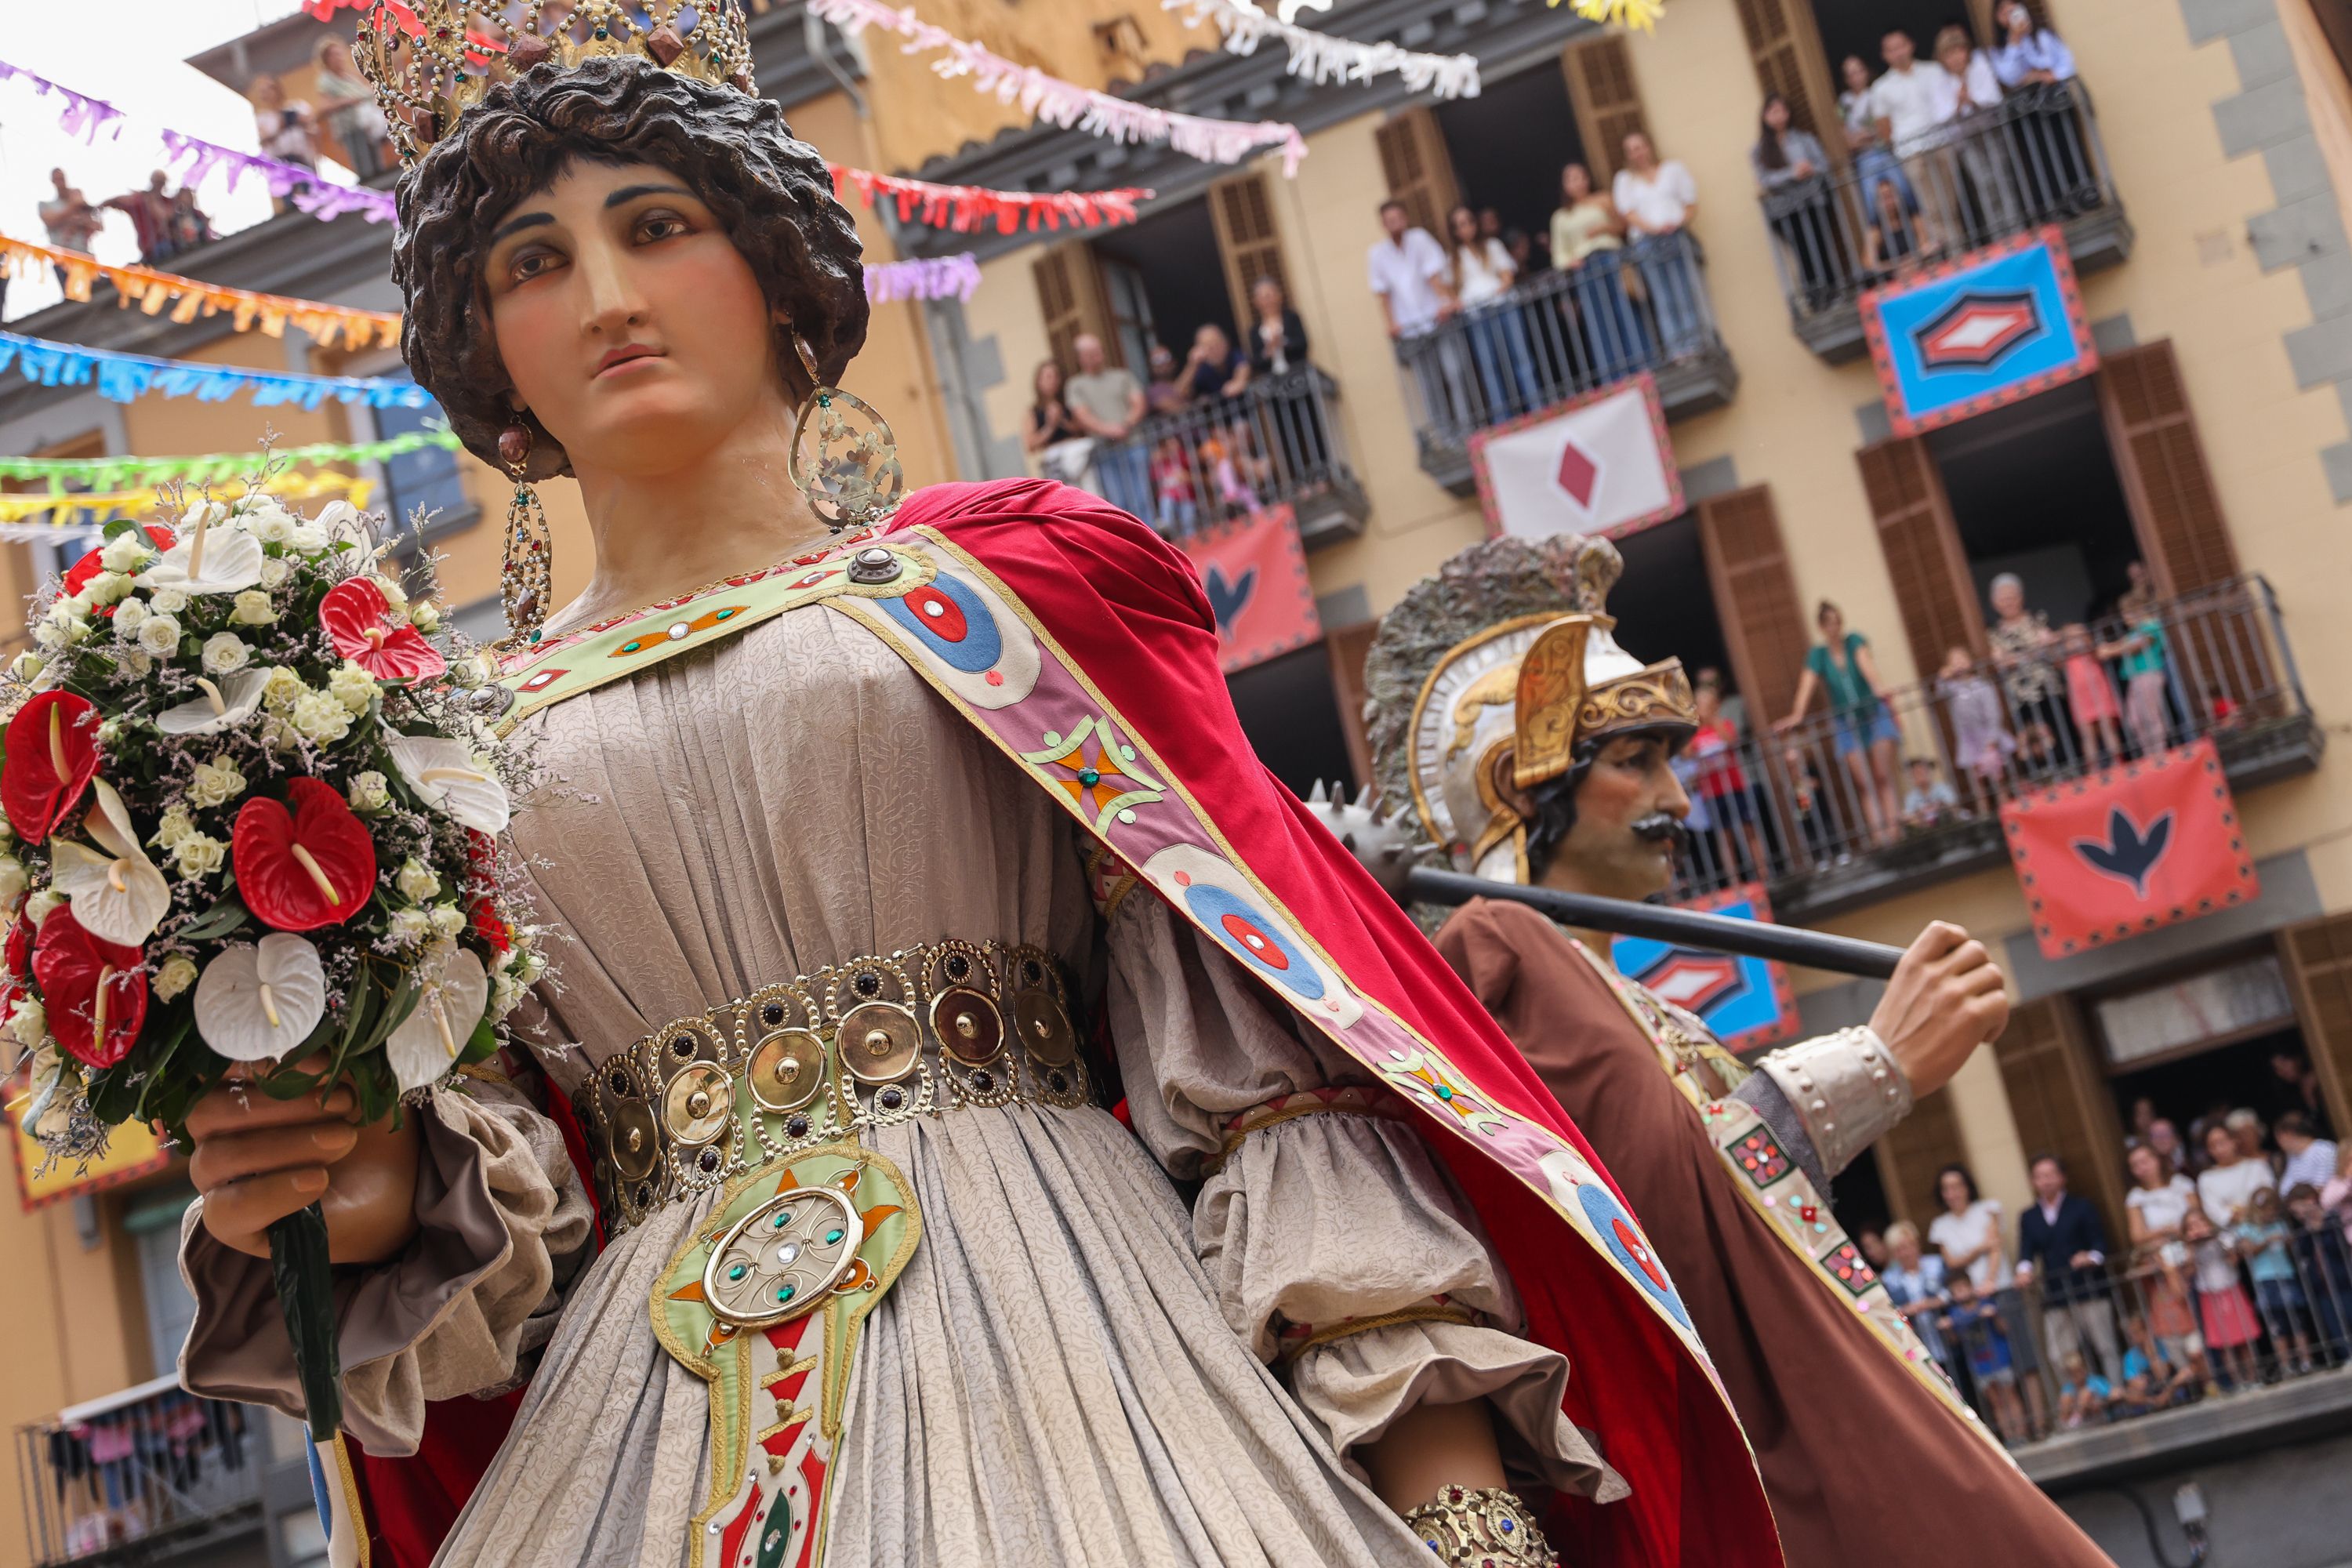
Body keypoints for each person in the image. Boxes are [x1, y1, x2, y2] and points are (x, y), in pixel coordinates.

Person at [173, 35, 1780, 1568]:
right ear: (485, 354)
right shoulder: (442, 750)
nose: (603, 298)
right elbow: (506, 1176)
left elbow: (1260, 1059)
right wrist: (359, 1186)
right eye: (530, 263)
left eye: (654, 229)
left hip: (1084, 1339)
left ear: (779, 274)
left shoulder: (989, 601)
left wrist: (1460, 1508)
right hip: (638, 1413)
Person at [1341, 532, 2111, 1564]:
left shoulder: (1640, 1004)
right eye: (1635, 762)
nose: (1679, 802)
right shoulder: (1500, 951)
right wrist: (1878, 1067)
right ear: (1517, 784)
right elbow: (1658, 1211)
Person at [1778, 601, 1904, 847]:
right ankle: (1880, 837)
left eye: (1837, 622)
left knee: (1882, 776)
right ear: (1821, 627)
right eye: (1828, 624)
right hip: (1846, 722)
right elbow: (1807, 684)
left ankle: (1896, 832)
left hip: (1873, 713)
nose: (1834, 628)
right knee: (1864, 783)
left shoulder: (1854, 641)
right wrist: (1797, 714)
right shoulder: (1818, 655)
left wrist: (1879, 689)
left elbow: (1865, 664)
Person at [2016, 1153, 2121, 1384]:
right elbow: (2026, 1250)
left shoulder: (2082, 1206)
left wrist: (2090, 1257)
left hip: (2088, 1286)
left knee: (2105, 1346)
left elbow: (2100, 1243)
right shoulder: (2029, 1216)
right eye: (2040, 1176)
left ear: (2062, 1178)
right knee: (2060, 1354)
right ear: (2033, 1181)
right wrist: (2024, 1270)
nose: (2046, 1181)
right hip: (2055, 1293)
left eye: (2051, 1175)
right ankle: (2079, 1404)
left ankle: (2118, 1394)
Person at [2124, 1141, 2212, 1389]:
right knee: (2177, 1317)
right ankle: (2197, 1382)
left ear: (2158, 1159)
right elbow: (2137, 1235)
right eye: (2135, 1165)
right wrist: (2170, 1230)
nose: (2142, 1168)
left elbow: (2196, 1217)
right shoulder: (2136, 1197)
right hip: (2164, 1259)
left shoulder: (2182, 1184)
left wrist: (2176, 1232)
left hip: (2192, 1255)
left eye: (2145, 1160)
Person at [1611, 132, 1704, 358]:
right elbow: (1628, 213)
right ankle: (1677, 350)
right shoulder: (1625, 180)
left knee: (1685, 291)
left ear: (1649, 147)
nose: (1638, 152)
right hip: (1647, 243)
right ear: (1627, 156)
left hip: (1676, 237)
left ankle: (1695, 345)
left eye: (1640, 146)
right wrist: (1654, 229)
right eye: (1632, 149)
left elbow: (1690, 204)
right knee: (1663, 296)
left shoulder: (1673, 170)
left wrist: (1677, 222)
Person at [1865, 31, 1959, 252]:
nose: (1898, 52)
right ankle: (1954, 254)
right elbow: (1884, 128)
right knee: (1931, 208)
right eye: (1892, 49)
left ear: (1911, 45)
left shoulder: (1933, 71)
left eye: (1901, 46)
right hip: (1911, 152)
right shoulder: (1881, 88)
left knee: (1952, 201)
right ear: (1885, 55)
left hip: (1941, 142)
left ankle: (1961, 248)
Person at [1549, 162, 1646, 379]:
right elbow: (1559, 253)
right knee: (1597, 318)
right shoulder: (1561, 217)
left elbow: (1623, 226)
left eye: (1580, 177)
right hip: (1585, 267)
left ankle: (1641, 363)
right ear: (1565, 186)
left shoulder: (1603, 199)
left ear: (1588, 179)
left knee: (1625, 309)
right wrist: (1570, 262)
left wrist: (1604, 228)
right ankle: (1612, 373)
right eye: (1571, 179)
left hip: (1611, 258)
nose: (1577, 182)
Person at [1443, 203, 1537, 416]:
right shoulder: (1453, 260)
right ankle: (1503, 418)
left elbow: (1507, 276)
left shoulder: (1492, 246)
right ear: (1454, 231)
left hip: (1503, 306)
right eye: (1459, 225)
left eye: (1468, 222)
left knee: (1521, 359)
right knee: (1490, 368)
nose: (1465, 228)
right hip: (1477, 315)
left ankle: (1535, 408)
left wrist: (1492, 294)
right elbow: (1451, 293)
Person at [1932, 24, 2020, 240]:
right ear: (1942, 58)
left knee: (2003, 179)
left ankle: (2016, 230)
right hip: (1967, 140)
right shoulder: (1941, 81)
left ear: (1967, 51)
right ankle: (2000, 235)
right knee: (1985, 185)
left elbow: (1993, 98)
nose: (1955, 58)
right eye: (1949, 54)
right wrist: (1958, 104)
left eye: (1958, 51)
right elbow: (1940, 116)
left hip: (1991, 132)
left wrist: (1972, 100)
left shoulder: (1980, 67)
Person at [1751, 93, 1835, 308]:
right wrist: (1792, 173)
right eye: (1773, 111)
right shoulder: (1760, 150)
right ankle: (1815, 296)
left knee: (1821, 245)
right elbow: (1765, 179)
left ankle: (1833, 291)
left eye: (1782, 110)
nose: (1779, 116)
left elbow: (1824, 164)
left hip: (1812, 202)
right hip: (1787, 209)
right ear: (1765, 116)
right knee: (1803, 251)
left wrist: (1809, 169)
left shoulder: (1804, 139)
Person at [1062, 332, 1150, 517]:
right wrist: (1110, 431)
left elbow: (1138, 402)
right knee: (1120, 504)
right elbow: (1082, 415)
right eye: (1092, 353)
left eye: (1098, 350)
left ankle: (1151, 542)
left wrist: (1126, 424)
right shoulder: (1076, 385)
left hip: (1134, 444)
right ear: (1081, 358)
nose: (1098, 355)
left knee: (1144, 499)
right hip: (1105, 450)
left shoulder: (1122, 376)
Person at [1987, 573, 2067, 771]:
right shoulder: (1993, 635)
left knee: (2057, 737)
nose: (2009, 602)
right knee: (2029, 746)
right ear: (1995, 603)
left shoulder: (2037, 621)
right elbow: (2000, 662)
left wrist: (2018, 657)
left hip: (2048, 690)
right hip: (2019, 697)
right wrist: (2035, 652)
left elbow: (2053, 651)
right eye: (2004, 599)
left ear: (2021, 597)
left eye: (2012, 597)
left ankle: (2068, 775)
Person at [1689, 672, 1765, 879]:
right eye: (1700, 704)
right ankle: (1735, 882)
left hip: (1735, 786)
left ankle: (1762, 873)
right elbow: (1687, 754)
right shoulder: (1695, 734)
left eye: (1707, 704)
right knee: (1726, 837)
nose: (1703, 708)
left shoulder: (1725, 724)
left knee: (1748, 830)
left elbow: (1731, 741)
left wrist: (1714, 720)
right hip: (1712, 792)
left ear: (1715, 705)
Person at [1838, 54, 1919, 247]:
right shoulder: (1844, 102)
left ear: (1866, 72)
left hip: (1885, 153)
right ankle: (1880, 255)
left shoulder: (1879, 91)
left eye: (1859, 71)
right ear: (1846, 79)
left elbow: (1886, 128)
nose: (1856, 77)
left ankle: (1921, 241)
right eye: (1851, 74)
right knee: (1872, 208)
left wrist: (1873, 134)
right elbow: (1847, 139)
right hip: (1864, 159)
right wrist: (1861, 138)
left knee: (1906, 195)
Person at [1940, 1274, 2029, 1442]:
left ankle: (2021, 1433)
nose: (1961, 1293)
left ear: (1970, 1287)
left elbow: (2004, 1329)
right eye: (1956, 1291)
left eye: (1963, 1288)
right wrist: (1948, 1328)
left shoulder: (1985, 1304)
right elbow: (1955, 1341)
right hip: (1979, 1364)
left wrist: (1994, 1315)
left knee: (2010, 1395)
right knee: (1996, 1402)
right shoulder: (1956, 1314)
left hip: (1999, 1358)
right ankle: (2010, 1437)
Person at [2235, 1188, 2314, 1374]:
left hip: (2286, 1275)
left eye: (2272, 1209)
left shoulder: (2280, 1225)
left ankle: (2306, 1361)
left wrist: (2288, 1242)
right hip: (2265, 1280)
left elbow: (2291, 1250)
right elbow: (2247, 1251)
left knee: (2297, 1320)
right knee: (2277, 1325)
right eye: (2265, 1210)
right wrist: (2266, 1240)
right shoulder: (2247, 1229)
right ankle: (2286, 1364)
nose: (2269, 1214)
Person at [2183, 1205, 2261, 1387]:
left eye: (2200, 1223)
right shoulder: (2189, 1249)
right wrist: (2191, 1249)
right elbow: (2188, 1272)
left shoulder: (2221, 1238)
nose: (2198, 1229)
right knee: (2225, 1344)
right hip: (2209, 1296)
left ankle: (2253, 1378)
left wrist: (2218, 1241)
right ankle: (2238, 1382)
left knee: (2244, 1339)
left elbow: (2234, 1259)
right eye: (2191, 1226)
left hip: (2230, 1289)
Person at [1879, 1221, 1959, 1387]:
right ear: (1894, 1253)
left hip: (1950, 1341)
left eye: (1910, 1245)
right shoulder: (1889, 1279)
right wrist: (1907, 1310)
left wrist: (1933, 1302)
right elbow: (1887, 1309)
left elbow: (1955, 1289)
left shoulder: (1936, 1264)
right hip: (1918, 1347)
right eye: (1900, 1249)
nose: (1907, 1252)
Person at [1935, 645, 2013, 813]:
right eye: (1954, 661)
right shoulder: (1953, 688)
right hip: (1969, 740)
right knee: (1976, 781)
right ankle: (1983, 812)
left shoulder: (1982, 686)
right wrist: (1942, 678)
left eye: (1962, 659)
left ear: (1970, 661)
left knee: (1996, 776)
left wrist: (1992, 739)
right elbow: (1940, 692)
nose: (1959, 664)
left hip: (1987, 737)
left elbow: (1993, 713)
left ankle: (2005, 808)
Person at [1366, 198, 1454, 341]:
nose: (1395, 223)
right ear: (1383, 224)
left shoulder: (1420, 238)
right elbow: (1382, 293)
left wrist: (1444, 303)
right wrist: (1391, 323)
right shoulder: (1376, 254)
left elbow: (1434, 274)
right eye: (1390, 220)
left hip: (1435, 315)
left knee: (1453, 363)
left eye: (1398, 218)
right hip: (1407, 326)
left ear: (1405, 218)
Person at [2286, 1182, 2352, 1363]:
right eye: (2294, 1213)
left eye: (2298, 1208)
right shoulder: (2303, 1231)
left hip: (2344, 1280)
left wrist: (2321, 1228)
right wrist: (2309, 1231)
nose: (2298, 1214)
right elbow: (2302, 1252)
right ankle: (2347, 1355)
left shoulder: (2333, 1220)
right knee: (2334, 1323)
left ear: (2310, 1200)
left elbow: (2339, 1248)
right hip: (2321, 1286)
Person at [2100, 601, 2171, 759]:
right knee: (2134, 719)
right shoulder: (2135, 631)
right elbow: (2125, 642)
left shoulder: (2150, 627)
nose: (2125, 618)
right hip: (2137, 677)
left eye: (2127, 614)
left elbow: (2136, 645)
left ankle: (2159, 753)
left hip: (2149, 674)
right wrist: (2109, 647)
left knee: (2151, 716)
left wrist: (2111, 651)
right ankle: (2149, 752)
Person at [315, 36, 393, 176]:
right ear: (326, 59)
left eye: (339, 54)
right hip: (351, 128)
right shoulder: (326, 81)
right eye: (334, 55)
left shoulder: (350, 75)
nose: (339, 58)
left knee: (379, 165)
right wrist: (345, 102)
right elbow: (323, 107)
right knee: (365, 168)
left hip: (368, 125)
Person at [2058, 622, 2123, 768]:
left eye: (2080, 636)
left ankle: (2117, 762)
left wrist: (2087, 645)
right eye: (2071, 638)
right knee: (2087, 734)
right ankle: (2093, 767)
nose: (2076, 641)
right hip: (2080, 696)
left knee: (2107, 727)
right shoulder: (2066, 659)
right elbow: (2056, 659)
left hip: (2098, 691)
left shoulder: (2092, 652)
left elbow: (2100, 653)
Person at [1021, 357, 1092, 486]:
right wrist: (1050, 426)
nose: (1053, 381)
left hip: (1076, 455)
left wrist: (1062, 420)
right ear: (1039, 381)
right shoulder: (1033, 412)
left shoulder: (1068, 403)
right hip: (1055, 461)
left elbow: (1082, 429)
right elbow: (1031, 445)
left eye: (1055, 376)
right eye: (1048, 377)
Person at [1991, 0, 2077, 87]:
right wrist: (2014, 42)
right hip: (2030, 97)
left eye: (2012, 10)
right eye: (2002, 10)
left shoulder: (2042, 36)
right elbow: (2010, 77)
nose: (2008, 13)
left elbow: (2068, 62)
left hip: (2056, 93)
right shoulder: (1998, 51)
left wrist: (2048, 76)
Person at [38, 169, 103, 281]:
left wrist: (82, 217)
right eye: (57, 179)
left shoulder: (79, 205)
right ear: (53, 181)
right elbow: (51, 221)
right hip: (63, 260)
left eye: (62, 178)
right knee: (72, 294)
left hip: (85, 257)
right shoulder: (46, 205)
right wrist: (74, 205)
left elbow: (98, 226)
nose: (60, 182)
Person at [101, 171, 179, 264]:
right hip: (148, 248)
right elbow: (120, 200)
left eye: (161, 182)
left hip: (167, 245)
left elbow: (165, 216)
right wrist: (101, 206)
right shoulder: (139, 201)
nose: (158, 184)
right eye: (157, 181)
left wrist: (151, 200)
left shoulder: (167, 202)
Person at [249, 73, 318, 176]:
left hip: (304, 161)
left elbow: (312, 123)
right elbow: (264, 139)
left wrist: (297, 119)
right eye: (263, 91)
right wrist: (282, 124)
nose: (268, 94)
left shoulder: (297, 107)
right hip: (280, 165)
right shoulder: (262, 119)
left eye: (270, 88)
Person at [2278, 1111, 2339, 1197]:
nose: (2280, 1145)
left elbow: (2322, 1187)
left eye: (2279, 1138)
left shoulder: (2324, 1150)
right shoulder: (2292, 1158)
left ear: (2288, 1134)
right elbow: (2284, 1190)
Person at [2054, 1352, 2111, 1429]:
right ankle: (2067, 1425)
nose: (2077, 1376)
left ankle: (2076, 1420)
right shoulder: (2068, 1388)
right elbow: (2064, 1407)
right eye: (2073, 1374)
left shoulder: (2096, 1381)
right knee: (2066, 1398)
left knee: (2085, 1394)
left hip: (2099, 1418)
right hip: (2078, 1419)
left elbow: (2110, 1395)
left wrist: (2092, 1403)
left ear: (2084, 1369)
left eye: (2079, 1372)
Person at [1900, 757, 1959, 828]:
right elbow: (1908, 817)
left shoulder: (1942, 787)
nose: (1919, 775)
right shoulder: (1911, 797)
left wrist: (1940, 807)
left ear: (1929, 772)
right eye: (1916, 773)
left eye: (1922, 771)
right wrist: (1919, 816)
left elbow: (1954, 806)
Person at [1142, 340, 1186, 416]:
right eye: (1157, 360)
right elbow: (1176, 409)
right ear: (1151, 368)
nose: (1163, 363)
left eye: (1166, 357)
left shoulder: (1186, 383)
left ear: (1174, 361)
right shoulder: (1152, 392)